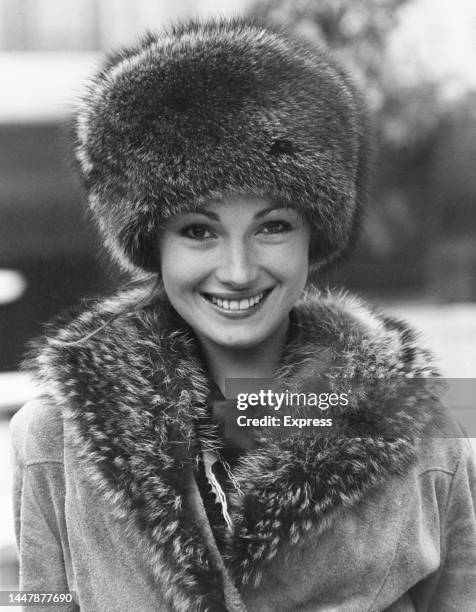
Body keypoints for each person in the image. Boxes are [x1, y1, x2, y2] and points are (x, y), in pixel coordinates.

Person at [10, 18, 476, 612]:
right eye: (199, 231)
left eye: (273, 226)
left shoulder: (424, 435)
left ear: (314, 234)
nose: (237, 269)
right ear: (155, 243)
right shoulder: (55, 438)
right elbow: (42, 601)